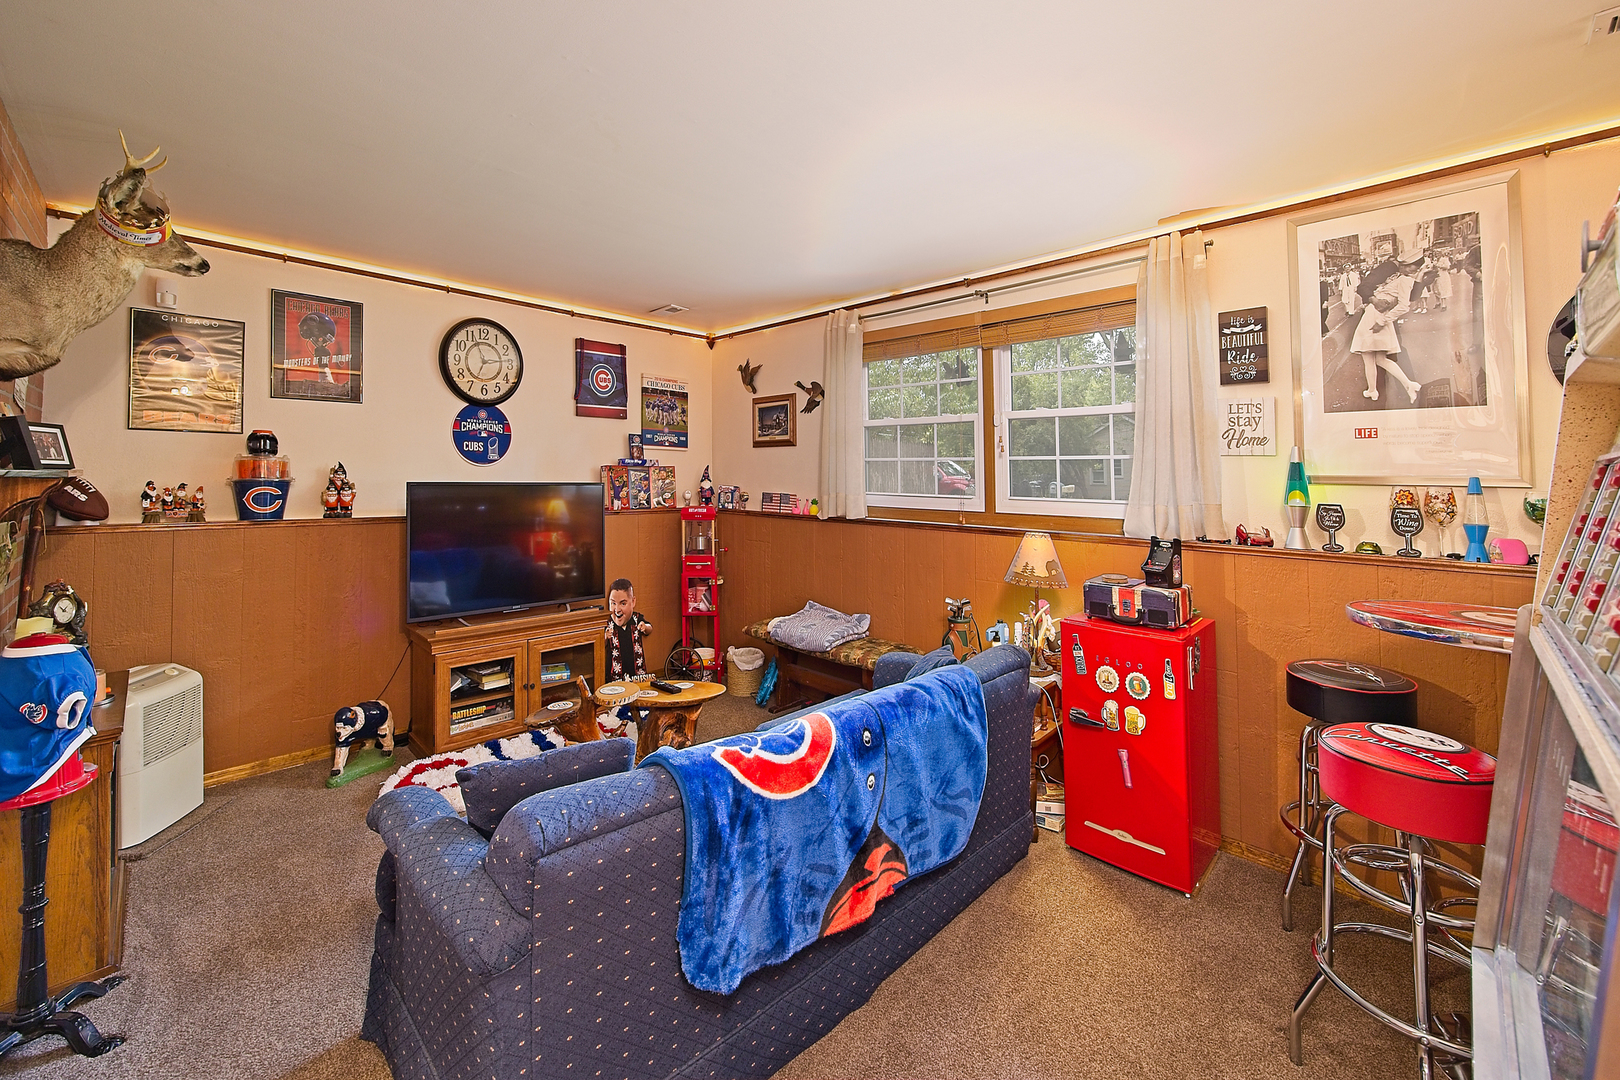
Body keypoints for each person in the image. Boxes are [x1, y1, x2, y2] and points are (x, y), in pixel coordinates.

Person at [1349, 248, 1425, 403]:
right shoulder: (1389, 269)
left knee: (1375, 356)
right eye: (1412, 267)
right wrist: (1375, 300)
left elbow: (1407, 301)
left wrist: (1383, 317)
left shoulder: (1405, 277)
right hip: (1376, 314)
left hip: (1378, 317)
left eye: (1415, 270)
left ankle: (1391, 388)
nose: (1412, 271)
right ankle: (1378, 390)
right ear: (1406, 263)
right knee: (1376, 357)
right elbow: (1364, 287)